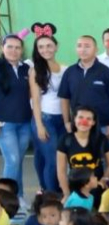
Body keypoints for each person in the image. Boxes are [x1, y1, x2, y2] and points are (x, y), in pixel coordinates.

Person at [58, 35, 109, 140]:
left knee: (104, 156)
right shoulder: (70, 72)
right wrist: (67, 122)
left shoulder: (106, 72)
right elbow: (64, 98)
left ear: (96, 49)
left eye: (87, 46)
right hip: (79, 126)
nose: (83, 49)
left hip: (103, 126)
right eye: (79, 46)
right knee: (82, 156)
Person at [30, 31, 67, 192]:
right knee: (52, 160)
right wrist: (39, 125)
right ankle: (51, 195)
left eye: (49, 46)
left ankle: (56, 190)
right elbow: (36, 100)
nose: (45, 50)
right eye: (41, 47)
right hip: (45, 119)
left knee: (61, 159)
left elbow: (68, 97)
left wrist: (68, 120)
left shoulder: (65, 69)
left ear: (56, 47)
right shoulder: (35, 70)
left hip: (63, 119)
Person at [56, 106, 109, 202]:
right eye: (80, 117)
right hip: (75, 186)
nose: (84, 121)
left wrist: (104, 179)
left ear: (94, 122)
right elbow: (61, 171)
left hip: (95, 186)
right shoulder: (65, 140)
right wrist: (67, 194)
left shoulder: (101, 139)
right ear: (74, 119)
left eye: (88, 119)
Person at [0, 35, 32, 196]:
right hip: (5, 125)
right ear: (2, 48)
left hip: (25, 123)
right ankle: (5, 201)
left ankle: (19, 197)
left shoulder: (26, 69)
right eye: (9, 47)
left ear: (22, 50)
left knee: (18, 162)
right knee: (12, 161)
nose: (13, 51)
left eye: (17, 47)